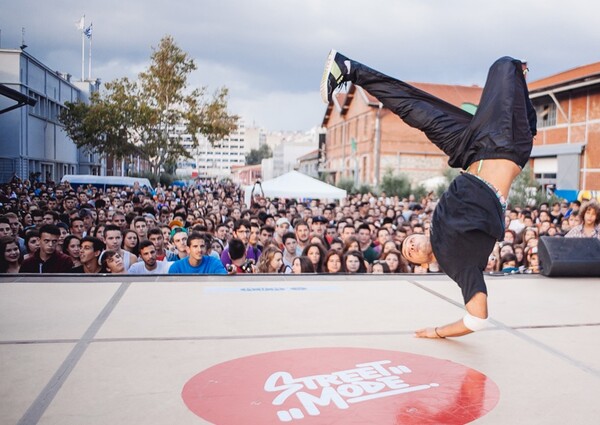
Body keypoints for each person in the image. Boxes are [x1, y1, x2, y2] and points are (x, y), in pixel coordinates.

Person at [322, 49, 536, 338]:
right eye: (410, 254)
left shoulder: (439, 226)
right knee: (504, 67)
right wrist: (436, 332)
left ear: (420, 234)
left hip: (469, 150)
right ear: (424, 264)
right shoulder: (457, 264)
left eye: (409, 242)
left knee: (416, 111)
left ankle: (347, 67)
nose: (409, 247)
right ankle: (524, 101)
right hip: (504, 145)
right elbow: (477, 318)